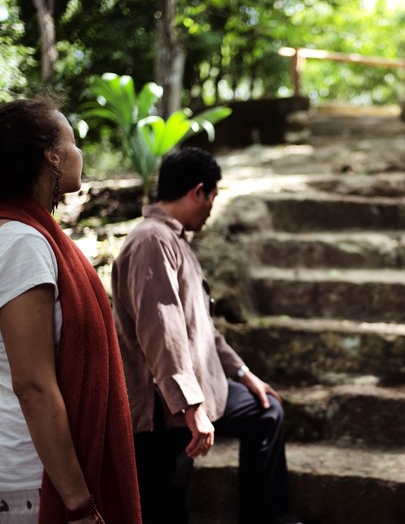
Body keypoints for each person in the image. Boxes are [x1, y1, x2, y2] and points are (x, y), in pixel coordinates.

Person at [0, 97, 142, 523]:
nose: (81, 153)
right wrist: (79, 502)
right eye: (74, 142)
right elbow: (32, 385)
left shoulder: (20, 234)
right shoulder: (21, 245)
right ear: (54, 157)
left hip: (31, 464)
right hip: (29, 479)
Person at [111, 147, 292, 524]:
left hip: (200, 392)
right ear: (198, 192)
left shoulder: (175, 241)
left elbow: (201, 328)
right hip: (166, 410)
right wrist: (192, 408)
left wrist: (243, 374)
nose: (212, 206)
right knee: (168, 505)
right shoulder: (151, 241)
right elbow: (161, 332)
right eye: (213, 196)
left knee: (266, 412)